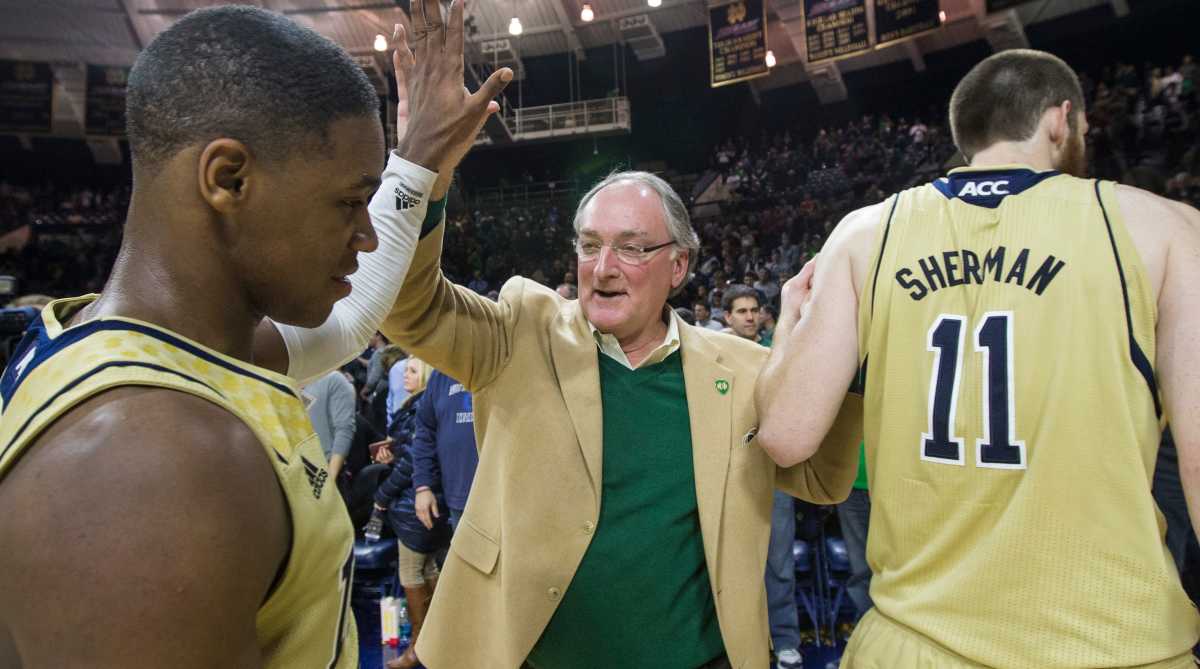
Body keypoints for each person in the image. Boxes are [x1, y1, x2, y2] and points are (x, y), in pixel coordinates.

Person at [0, 2, 511, 666]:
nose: (366, 234)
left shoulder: (145, 347)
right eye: (347, 203)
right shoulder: (151, 466)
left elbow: (348, 321)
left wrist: (418, 162)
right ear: (227, 179)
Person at [379, 24, 861, 657]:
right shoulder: (522, 329)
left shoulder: (743, 368)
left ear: (679, 267)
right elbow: (409, 308)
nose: (602, 267)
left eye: (631, 249)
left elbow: (822, 481)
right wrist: (422, 171)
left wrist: (840, 339)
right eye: (588, 246)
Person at [756, 49, 1200, 668]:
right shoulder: (1165, 229)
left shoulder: (865, 233)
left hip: (912, 643)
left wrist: (784, 335)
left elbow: (784, 435)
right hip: (1107, 641)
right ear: (1059, 119)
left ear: (965, 134)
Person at [724, 292, 802, 669]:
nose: (750, 317)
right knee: (731, 564)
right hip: (727, 475)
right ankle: (739, 644)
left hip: (773, 473)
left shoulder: (779, 353)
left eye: (754, 311)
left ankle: (786, 639)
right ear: (728, 317)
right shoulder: (710, 357)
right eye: (742, 311)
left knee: (779, 562)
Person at [364, 357, 449, 669]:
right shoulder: (423, 406)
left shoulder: (419, 410)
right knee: (428, 570)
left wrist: (382, 495)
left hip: (413, 504)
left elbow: (414, 461)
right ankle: (437, 639)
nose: (404, 378)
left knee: (411, 572)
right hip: (423, 500)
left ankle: (418, 646)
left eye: (412, 371)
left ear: (426, 374)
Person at [412, 368, 478, 533]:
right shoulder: (441, 374)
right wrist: (423, 486)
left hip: (506, 495)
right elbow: (425, 431)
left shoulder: (499, 361)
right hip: (459, 496)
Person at [304, 369, 357, 483]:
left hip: (324, 470)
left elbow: (344, 429)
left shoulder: (333, 379)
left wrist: (331, 478)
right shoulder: (282, 383)